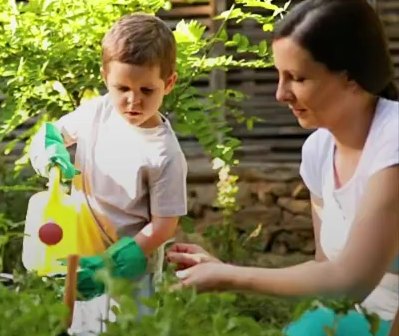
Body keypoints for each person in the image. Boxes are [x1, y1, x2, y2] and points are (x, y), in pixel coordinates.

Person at [166, 0, 399, 335]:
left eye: (297, 78)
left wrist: (229, 276)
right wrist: (219, 268)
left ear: (350, 78)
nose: (280, 93)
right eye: (279, 76)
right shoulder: (318, 150)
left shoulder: (393, 139)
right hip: (351, 317)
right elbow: (326, 271)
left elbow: (351, 281)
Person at [28, 13, 189, 335]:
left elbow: (164, 224)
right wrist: (49, 153)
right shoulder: (97, 112)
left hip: (128, 268)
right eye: (122, 88)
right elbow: (52, 134)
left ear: (168, 83)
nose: (133, 100)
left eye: (147, 90)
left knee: (126, 328)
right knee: (76, 328)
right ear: (106, 77)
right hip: (78, 252)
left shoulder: (164, 154)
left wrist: (113, 263)